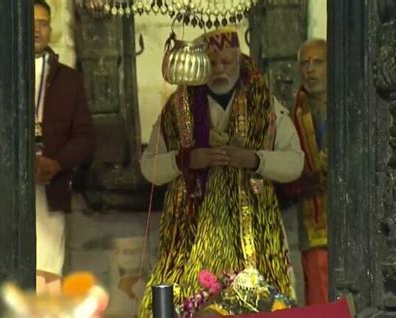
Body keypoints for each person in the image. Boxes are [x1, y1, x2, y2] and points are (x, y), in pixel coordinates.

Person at [138, 27, 304, 316]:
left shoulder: (265, 105)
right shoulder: (177, 107)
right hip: (190, 228)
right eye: (212, 63)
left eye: (227, 63)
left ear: (239, 62)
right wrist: (186, 159)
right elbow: (148, 167)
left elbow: (295, 162)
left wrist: (254, 159)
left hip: (252, 228)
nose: (219, 70)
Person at [33, 0, 94, 294]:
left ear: (50, 29)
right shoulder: (1, 75)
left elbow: (85, 137)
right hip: (7, 190)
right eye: (30, 23)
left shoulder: (68, 79)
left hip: (50, 186)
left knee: (47, 276)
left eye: (43, 23)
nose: (36, 29)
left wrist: (55, 163)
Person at [278, 39, 328, 305]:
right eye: (305, 63)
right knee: (320, 297)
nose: (310, 69)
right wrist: (301, 183)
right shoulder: (292, 115)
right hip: (313, 224)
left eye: (318, 62)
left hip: (354, 222)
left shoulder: (352, 106)